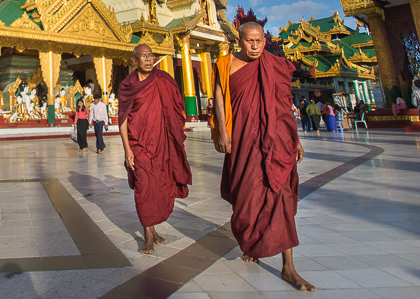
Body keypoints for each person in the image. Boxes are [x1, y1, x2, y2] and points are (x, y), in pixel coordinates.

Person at [212, 22, 314, 291]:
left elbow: (283, 103)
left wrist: (295, 139)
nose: (255, 46)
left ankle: (288, 267)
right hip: (243, 140)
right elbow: (219, 96)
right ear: (239, 40)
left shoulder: (274, 65)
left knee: (279, 196)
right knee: (247, 197)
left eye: (260, 41)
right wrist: (222, 131)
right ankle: (254, 244)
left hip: (276, 141)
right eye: (249, 41)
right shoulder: (225, 64)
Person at [118, 43, 192, 255]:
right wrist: (127, 149)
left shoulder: (163, 80)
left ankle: (153, 230)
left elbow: (175, 108)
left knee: (158, 186)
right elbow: (122, 119)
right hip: (139, 145)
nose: (149, 60)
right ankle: (148, 235)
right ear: (135, 61)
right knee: (144, 186)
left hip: (162, 144)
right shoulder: (128, 85)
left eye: (151, 56)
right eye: (144, 57)